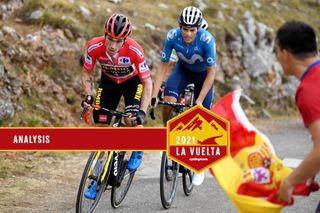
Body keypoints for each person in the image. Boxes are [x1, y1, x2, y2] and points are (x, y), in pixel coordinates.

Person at [81, 13, 152, 199]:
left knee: (130, 118)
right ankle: (95, 180)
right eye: (110, 39)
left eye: (118, 41)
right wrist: (88, 95)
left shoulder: (135, 50)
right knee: (101, 133)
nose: (112, 45)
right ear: (105, 34)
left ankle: (138, 146)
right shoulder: (94, 46)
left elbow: (148, 83)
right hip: (109, 83)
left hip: (132, 84)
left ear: (125, 39)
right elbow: (86, 74)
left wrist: (142, 112)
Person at [151, 6, 217, 186]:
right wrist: (155, 92)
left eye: (192, 30)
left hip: (203, 76)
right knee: (168, 102)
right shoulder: (173, 36)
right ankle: (168, 138)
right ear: (180, 26)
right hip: (183, 71)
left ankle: (199, 166)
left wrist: (200, 101)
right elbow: (163, 65)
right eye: (185, 29)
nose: (188, 34)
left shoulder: (206, 39)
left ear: (199, 29)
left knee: (202, 115)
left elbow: (212, 73)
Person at [275, 20, 320, 211]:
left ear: (285, 54)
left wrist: (288, 182)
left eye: (276, 51)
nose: (277, 58)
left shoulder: (309, 89)